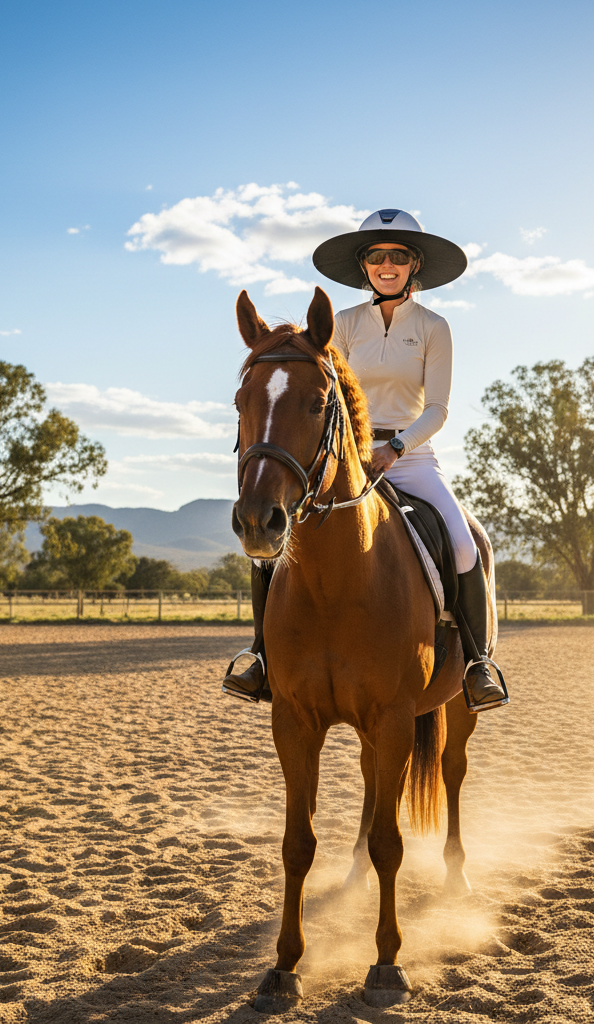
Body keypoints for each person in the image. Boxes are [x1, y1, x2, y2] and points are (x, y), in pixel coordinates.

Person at [223, 209, 508, 713]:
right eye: (377, 256)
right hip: (345, 455)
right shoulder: (343, 325)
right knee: (276, 541)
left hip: (411, 455)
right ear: (364, 266)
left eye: (398, 256)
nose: (386, 265)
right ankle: (261, 655)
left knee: (466, 544)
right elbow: (325, 395)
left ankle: (477, 663)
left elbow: (438, 408)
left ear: (414, 264)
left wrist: (395, 448)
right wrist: (350, 450)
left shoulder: (434, 327)